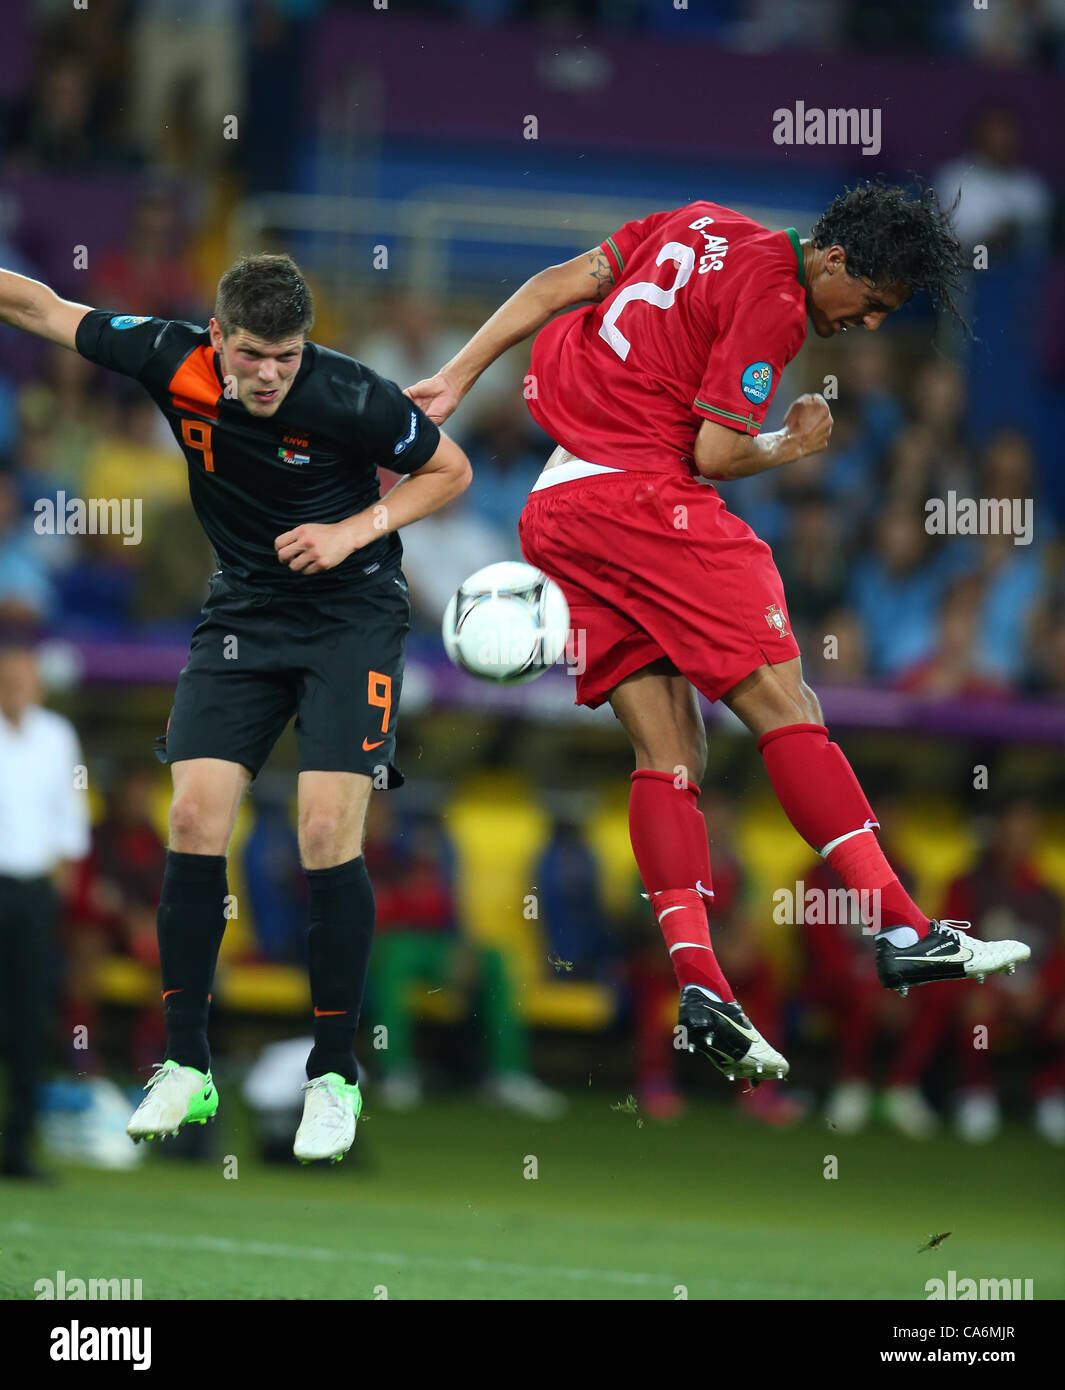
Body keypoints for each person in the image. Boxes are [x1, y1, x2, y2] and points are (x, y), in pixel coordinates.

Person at [405, 183, 1030, 1086]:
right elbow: (713, 454)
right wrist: (794, 442)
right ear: (835, 261)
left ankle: (700, 985)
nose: (861, 328)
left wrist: (457, 377)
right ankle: (901, 926)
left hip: (558, 505)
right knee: (787, 703)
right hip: (644, 497)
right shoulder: (777, 299)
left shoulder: (693, 220)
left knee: (670, 756)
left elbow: (554, 286)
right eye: (871, 307)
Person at [0, 252, 471, 1163]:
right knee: (191, 812)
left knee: (327, 827)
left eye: (287, 357)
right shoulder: (167, 356)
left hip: (351, 613)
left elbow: (446, 470)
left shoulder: (351, 394)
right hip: (244, 613)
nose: (270, 375)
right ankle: (187, 1065)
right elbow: (42, 307)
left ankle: (334, 1075)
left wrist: (352, 530)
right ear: (216, 339)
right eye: (253, 354)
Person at [0, 640, 91, 1178]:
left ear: (39, 685)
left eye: (24, 679)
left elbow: (70, 819)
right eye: (7, 678)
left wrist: (57, 885)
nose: (16, 688)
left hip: (33, 892)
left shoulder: (57, 736)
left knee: (31, 1018)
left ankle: (18, 1144)